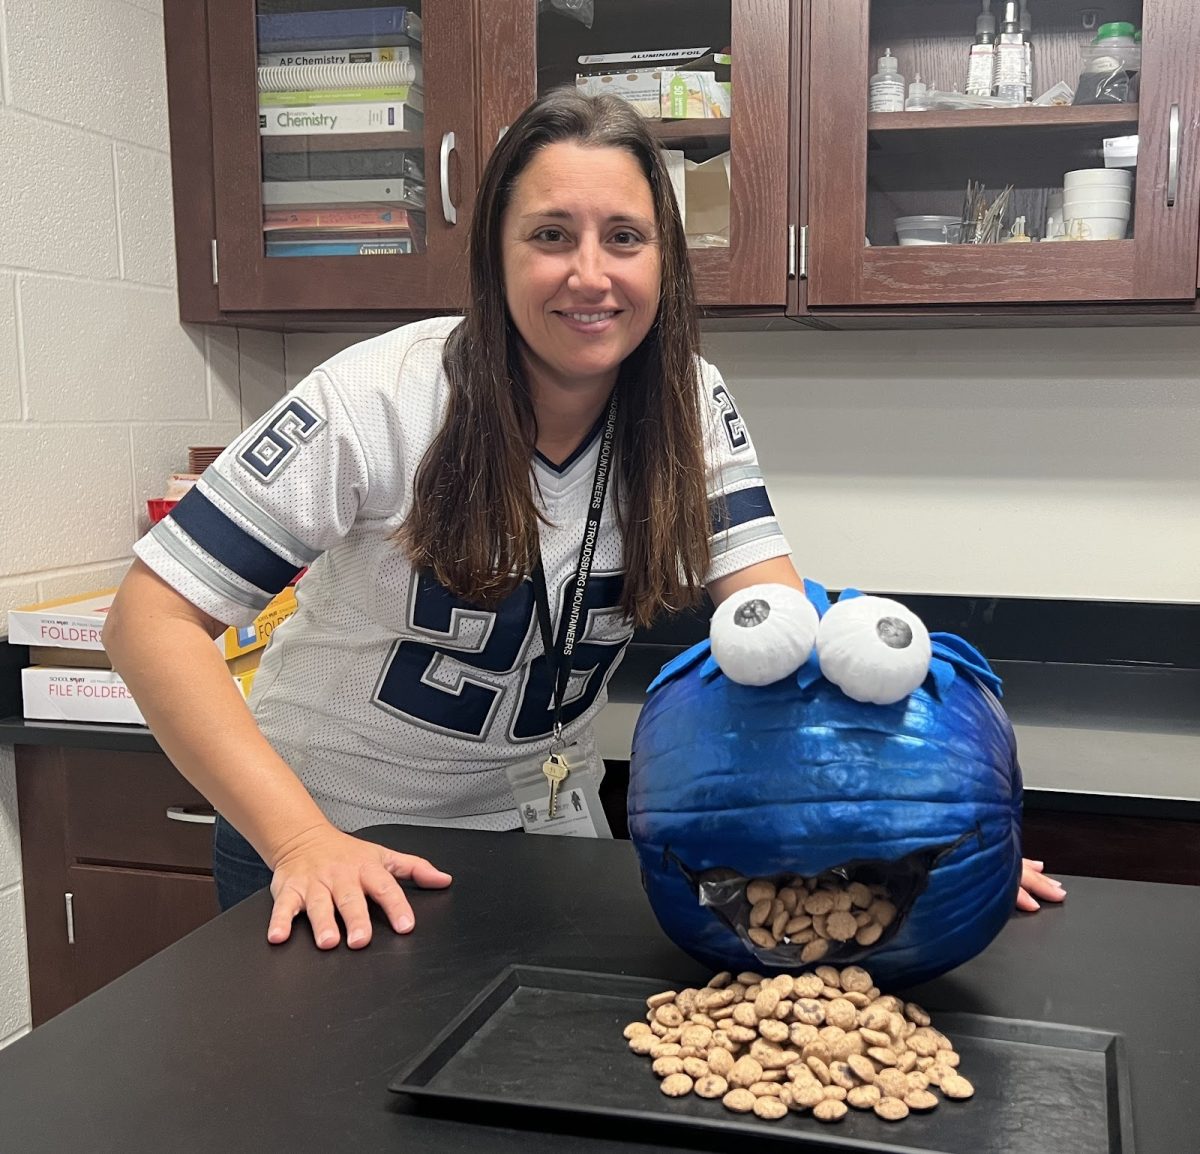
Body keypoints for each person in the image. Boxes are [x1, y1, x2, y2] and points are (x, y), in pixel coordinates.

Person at [104, 89, 1061, 952]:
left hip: (541, 831)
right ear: (497, 253)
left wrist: (908, 834)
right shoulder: (375, 398)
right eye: (552, 235)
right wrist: (302, 840)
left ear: (666, 260)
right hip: (336, 844)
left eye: (625, 238)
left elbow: (772, 628)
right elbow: (149, 622)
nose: (590, 275)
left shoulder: (687, 402)